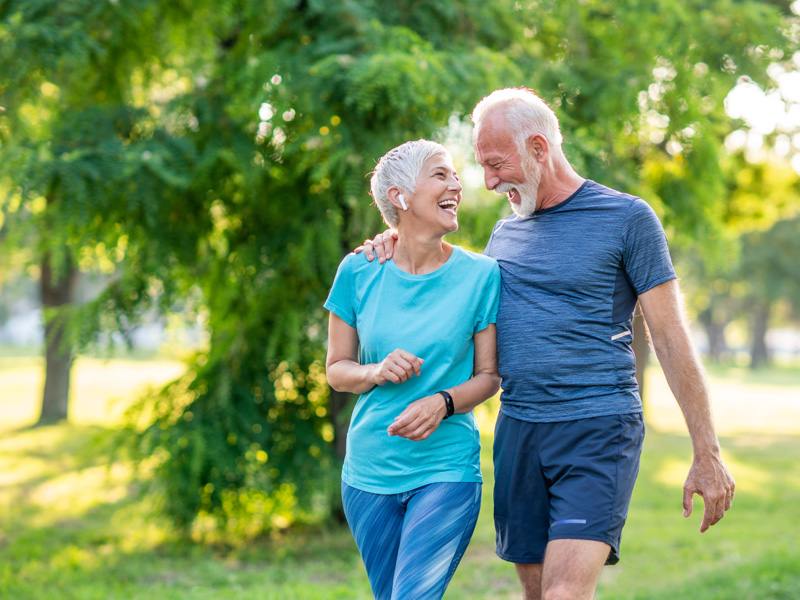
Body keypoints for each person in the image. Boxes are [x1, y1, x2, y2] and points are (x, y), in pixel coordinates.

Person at [358, 88, 735, 600]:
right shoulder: (502, 236)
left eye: (496, 165)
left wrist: (706, 451)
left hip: (597, 426)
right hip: (520, 431)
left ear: (539, 149)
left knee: (564, 594)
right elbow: (442, 277)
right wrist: (393, 237)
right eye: (482, 169)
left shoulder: (626, 218)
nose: (488, 183)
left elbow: (669, 337)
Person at [325, 139, 502, 600]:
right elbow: (336, 370)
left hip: (447, 469)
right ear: (400, 197)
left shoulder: (481, 275)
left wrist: (443, 403)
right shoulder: (358, 271)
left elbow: (490, 376)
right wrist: (376, 371)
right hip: (369, 472)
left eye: (456, 176)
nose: (457, 185)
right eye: (441, 175)